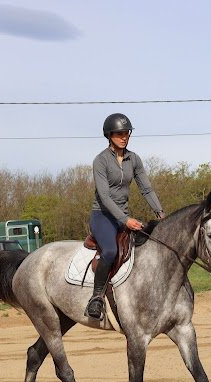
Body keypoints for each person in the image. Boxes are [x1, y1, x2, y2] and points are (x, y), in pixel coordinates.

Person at [85, 113, 165, 319]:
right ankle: (96, 298)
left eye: (126, 133)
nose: (124, 137)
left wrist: (160, 212)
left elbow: (146, 189)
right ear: (109, 135)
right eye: (119, 133)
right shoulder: (100, 161)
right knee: (110, 251)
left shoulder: (134, 159)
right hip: (102, 216)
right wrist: (125, 220)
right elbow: (104, 196)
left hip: (123, 215)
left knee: (147, 244)